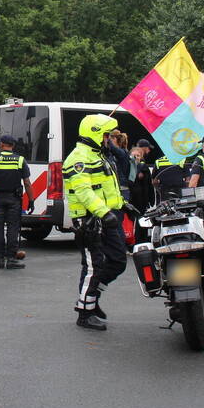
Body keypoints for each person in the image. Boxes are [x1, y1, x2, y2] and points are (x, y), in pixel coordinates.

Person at [63, 114, 126, 331]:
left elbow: (105, 187)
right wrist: (104, 212)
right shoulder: (79, 158)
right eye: (106, 135)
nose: (108, 139)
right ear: (96, 133)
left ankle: (91, 298)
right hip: (89, 221)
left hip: (105, 217)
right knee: (93, 266)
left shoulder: (97, 155)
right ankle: (85, 312)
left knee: (118, 261)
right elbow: (84, 191)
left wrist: (122, 205)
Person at [0, 134, 35, 270]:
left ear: (1, 144)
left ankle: (0, 259)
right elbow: (27, 182)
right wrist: (31, 200)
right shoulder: (20, 160)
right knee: (13, 228)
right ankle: (11, 259)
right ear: (13, 146)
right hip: (14, 199)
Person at [106, 130, 134, 201]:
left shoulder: (122, 152)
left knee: (121, 212)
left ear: (114, 139)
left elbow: (113, 148)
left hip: (122, 190)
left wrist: (106, 136)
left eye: (110, 139)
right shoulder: (112, 154)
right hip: (114, 189)